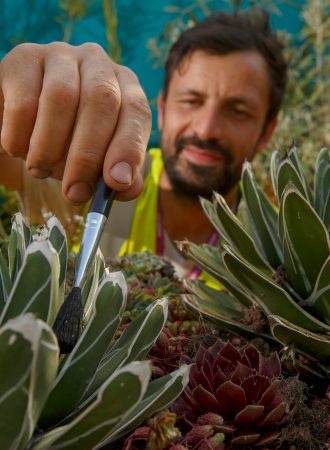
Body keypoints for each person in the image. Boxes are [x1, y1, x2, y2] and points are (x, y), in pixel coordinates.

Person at [0, 10, 287, 279]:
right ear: (161, 109)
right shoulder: (98, 173)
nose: (206, 129)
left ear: (266, 132)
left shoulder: (281, 249)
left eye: (238, 111)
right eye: (191, 101)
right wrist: (7, 98)